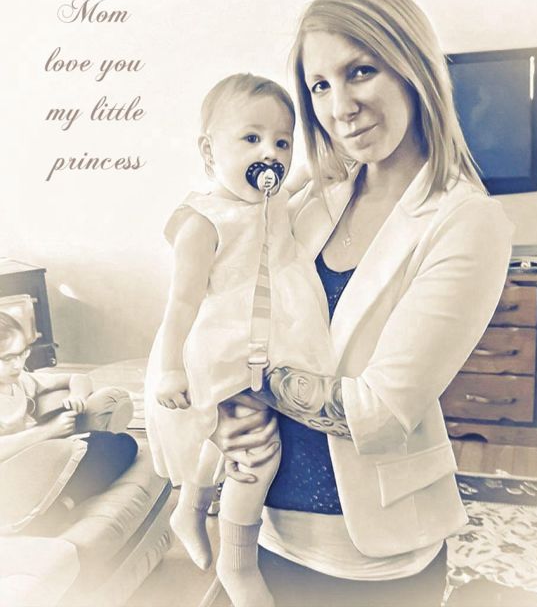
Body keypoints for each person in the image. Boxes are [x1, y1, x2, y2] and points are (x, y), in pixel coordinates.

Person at [208, 0, 514, 607]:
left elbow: (377, 409)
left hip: (373, 559)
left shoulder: (466, 221)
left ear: (413, 67)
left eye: (361, 71)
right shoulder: (311, 201)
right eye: (320, 85)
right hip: (266, 531)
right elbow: (233, 314)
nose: (340, 106)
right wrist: (215, 415)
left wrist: (239, 381)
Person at [143, 74, 336, 607]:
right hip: (223, 349)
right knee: (256, 450)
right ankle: (238, 562)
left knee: (222, 437)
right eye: (251, 139)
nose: (269, 154)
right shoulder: (204, 222)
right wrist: (170, 368)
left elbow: (299, 183)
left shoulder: (270, 202)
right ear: (209, 152)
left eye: (282, 141)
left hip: (270, 341)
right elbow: (180, 305)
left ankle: (190, 508)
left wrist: (325, 165)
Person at [0, 311, 138, 524]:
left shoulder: (20, 381)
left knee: (121, 445)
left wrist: (77, 396)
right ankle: (44, 511)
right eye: (8, 358)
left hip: (38, 460)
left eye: (22, 353)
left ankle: (61, 506)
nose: (18, 364)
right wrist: (48, 431)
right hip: (10, 478)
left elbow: (78, 378)